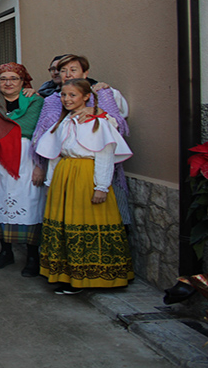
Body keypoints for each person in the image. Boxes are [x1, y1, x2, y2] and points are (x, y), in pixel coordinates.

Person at [35, 79, 133, 294]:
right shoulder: (63, 121)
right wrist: (51, 183)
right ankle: (67, 275)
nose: (67, 99)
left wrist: (101, 186)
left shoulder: (96, 121)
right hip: (65, 175)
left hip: (85, 176)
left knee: (84, 223)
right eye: (63, 95)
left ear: (86, 96)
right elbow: (54, 155)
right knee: (65, 226)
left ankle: (90, 277)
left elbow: (104, 155)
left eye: (72, 95)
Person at [32, 54, 131, 227]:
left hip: (94, 171)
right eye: (63, 70)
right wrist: (42, 170)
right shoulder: (51, 100)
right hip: (63, 170)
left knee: (94, 217)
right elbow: (47, 141)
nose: (68, 74)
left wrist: (98, 111)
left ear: (85, 73)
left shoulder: (102, 94)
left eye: (73, 70)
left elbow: (118, 128)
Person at [0, 63, 45, 277]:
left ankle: (33, 256)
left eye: (14, 79)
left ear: (23, 81)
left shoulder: (36, 102)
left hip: (27, 162)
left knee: (31, 205)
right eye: (3, 79)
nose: (8, 83)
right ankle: (5, 252)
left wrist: (40, 165)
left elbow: (43, 134)